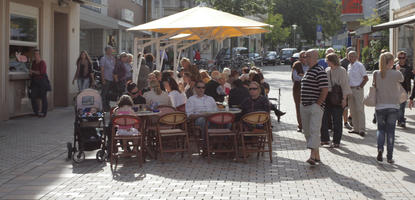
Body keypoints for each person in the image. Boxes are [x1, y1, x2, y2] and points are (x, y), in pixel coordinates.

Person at [374, 52, 404, 164]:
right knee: (390, 132)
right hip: (393, 106)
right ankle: (389, 157)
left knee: (380, 129)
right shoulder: (396, 73)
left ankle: (380, 149)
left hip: (380, 106)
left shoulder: (376, 73)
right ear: (390, 62)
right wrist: (397, 69)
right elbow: (402, 79)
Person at [300, 49, 328, 165]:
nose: (304, 58)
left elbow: (325, 89)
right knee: (307, 132)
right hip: (305, 105)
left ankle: (312, 156)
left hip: (314, 106)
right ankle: (317, 155)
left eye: (306, 56)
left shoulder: (320, 71)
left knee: (314, 130)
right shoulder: (308, 70)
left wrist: (318, 104)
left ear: (314, 57)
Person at [320, 53, 352, 148]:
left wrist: (344, 99)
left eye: (327, 61)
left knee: (337, 120)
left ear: (332, 60)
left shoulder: (342, 71)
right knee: (324, 119)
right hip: (328, 96)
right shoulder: (327, 70)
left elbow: (345, 85)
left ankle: (336, 141)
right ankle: (325, 139)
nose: (326, 62)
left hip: (338, 96)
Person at [347, 51, 368, 136]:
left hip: (357, 89)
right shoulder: (349, 66)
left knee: (360, 109)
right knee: (352, 110)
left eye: (352, 56)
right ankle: (355, 128)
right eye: (349, 56)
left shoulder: (359, 65)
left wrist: (360, 87)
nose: (350, 58)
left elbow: (366, 78)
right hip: (350, 89)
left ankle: (362, 129)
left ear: (356, 57)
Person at [394, 51, 413, 128]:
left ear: (405, 58)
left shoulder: (409, 68)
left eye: (403, 58)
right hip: (395, 89)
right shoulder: (394, 67)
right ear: (397, 58)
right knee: (396, 106)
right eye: (399, 58)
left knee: (402, 106)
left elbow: (412, 77)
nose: (401, 59)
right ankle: (399, 119)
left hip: (404, 89)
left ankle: (401, 120)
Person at [30, 49, 49, 117]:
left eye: (37, 54)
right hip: (35, 83)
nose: (36, 55)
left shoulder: (42, 62)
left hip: (42, 82)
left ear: (39, 55)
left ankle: (44, 112)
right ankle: (36, 111)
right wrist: (31, 73)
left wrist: (33, 71)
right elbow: (32, 72)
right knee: (32, 96)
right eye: (35, 54)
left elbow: (41, 72)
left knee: (43, 97)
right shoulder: (34, 62)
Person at [292, 51, 309, 132]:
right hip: (297, 90)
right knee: (298, 108)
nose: (303, 58)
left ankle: (307, 125)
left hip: (309, 90)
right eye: (301, 57)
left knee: (308, 107)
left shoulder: (311, 64)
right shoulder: (296, 65)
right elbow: (295, 78)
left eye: (304, 56)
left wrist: (302, 75)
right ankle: (300, 125)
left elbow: (312, 77)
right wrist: (306, 76)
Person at [340, 47, 354, 129]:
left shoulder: (356, 63)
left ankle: (350, 117)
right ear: (346, 54)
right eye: (350, 54)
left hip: (353, 87)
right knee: (345, 106)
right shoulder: (342, 63)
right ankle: (345, 122)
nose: (351, 57)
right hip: (345, 86)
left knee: (352, 104)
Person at [100, 46, 116, 111]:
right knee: (104, 93)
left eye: (112, 50)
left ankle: (107, 106)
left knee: (109, 94)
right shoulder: (103, 59)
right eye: (111, 50)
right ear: (107, 51)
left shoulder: (112, 58)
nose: (112, 51)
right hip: (106, 78)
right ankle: (103, 107)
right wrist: (103, 79)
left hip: (112, 79)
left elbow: (114, 68)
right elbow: (102, 70)